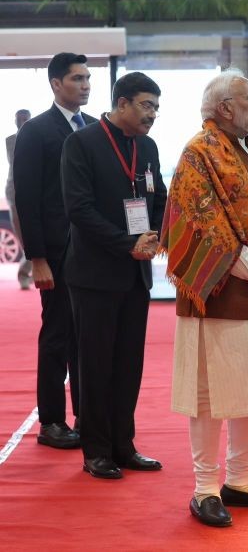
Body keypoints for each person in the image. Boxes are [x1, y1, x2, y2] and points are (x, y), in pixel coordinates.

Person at [160, 68, 248, 527]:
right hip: (218, 295)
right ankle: (204, 489)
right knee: (209, 395)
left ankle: (239, 481)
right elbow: (210, 233)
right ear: (225, 108)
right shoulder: (198, 153)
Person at [60, 71, 167, 479]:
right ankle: (96, 450)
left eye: (156, 107)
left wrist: (154, 235)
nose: (152, 114)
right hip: (94, 275)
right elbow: (79, 209)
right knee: (95, 364)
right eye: (146, 105)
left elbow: (159, 198)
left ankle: (124, 445)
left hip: (136, 275)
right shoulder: (81, 143)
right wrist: (127, 244)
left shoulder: (148, 146)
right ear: (122, 103)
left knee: (128, 364)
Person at [13, 53, 95, 449]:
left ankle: (86, 416)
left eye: (87, 78)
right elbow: (26, 199)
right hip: (57, 253)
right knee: (58, 335)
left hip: (93, 251)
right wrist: (37, 258)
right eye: (77, 78)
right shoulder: (37, 131)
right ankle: (51, 422)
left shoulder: (95, 127)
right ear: (56, 84)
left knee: (87, 337)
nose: (85, 85)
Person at [5, 108, 32, 289]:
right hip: (14, 191)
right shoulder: (10, 140)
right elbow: (16, 163)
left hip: (35, 190)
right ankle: (26, 270)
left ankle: (27, 271)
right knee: (21, 234)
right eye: (19, 119)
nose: (21, 122)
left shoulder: (37, 138)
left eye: (25, 119)